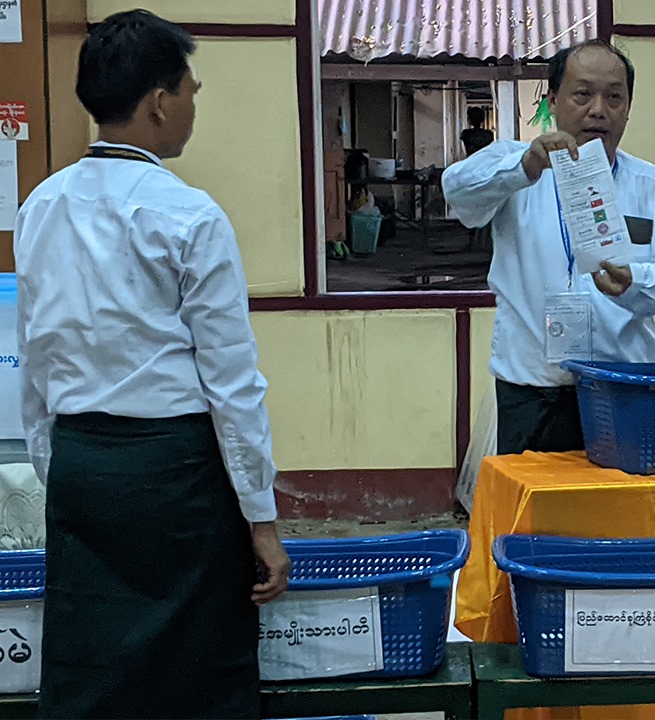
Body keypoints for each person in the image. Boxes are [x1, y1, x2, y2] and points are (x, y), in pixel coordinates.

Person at [14, 10, 290, 718]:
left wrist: (61, 467)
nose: (195, 103)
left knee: (91, 667)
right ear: (160, 102)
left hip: (82, 465)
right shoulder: (190, 216)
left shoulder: (41, 206)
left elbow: (36, 358)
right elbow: (231, 384)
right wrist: (261, 519)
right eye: (191, 90)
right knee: (196, 674)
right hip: (176, 477)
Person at [442, 40, 655, 455]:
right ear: (552, 100)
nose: (598, 110)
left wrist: (636, 280)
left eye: (614, 97)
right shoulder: (514, 165)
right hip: (533, 390)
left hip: (627, 386)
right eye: (582, 94)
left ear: (628, 108)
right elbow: (457, 192)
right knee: (533, 497)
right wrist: (524, 169)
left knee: (625, 495)